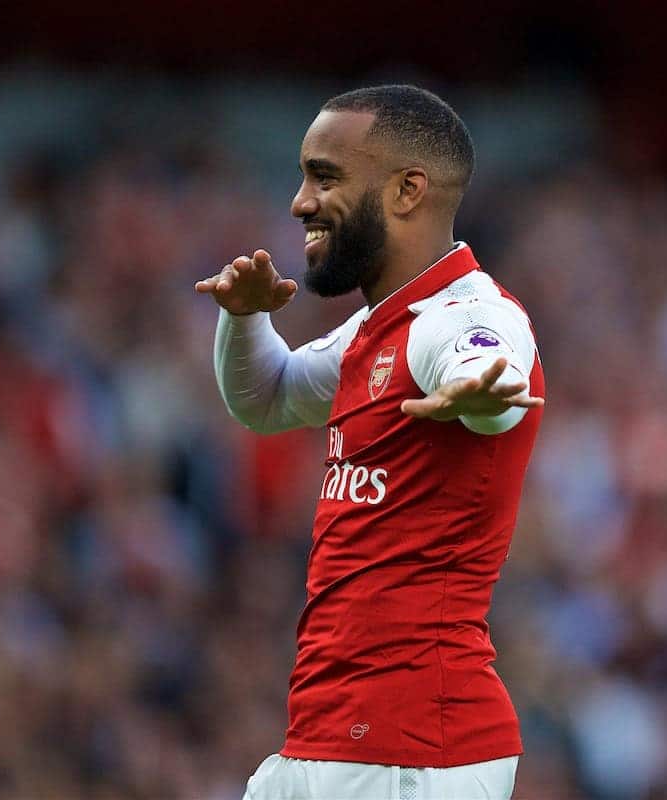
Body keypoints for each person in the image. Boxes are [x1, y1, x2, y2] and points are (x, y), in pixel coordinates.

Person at [195, 85, 545, 800]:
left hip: (414, 753)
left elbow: (492, 364)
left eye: (325, 177)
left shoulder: (465, 314)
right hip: (335, 740)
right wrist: (245, 319)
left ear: (408, 190)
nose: (299, 202)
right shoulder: (379, 330)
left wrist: (480, 389)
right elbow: (267, 399)